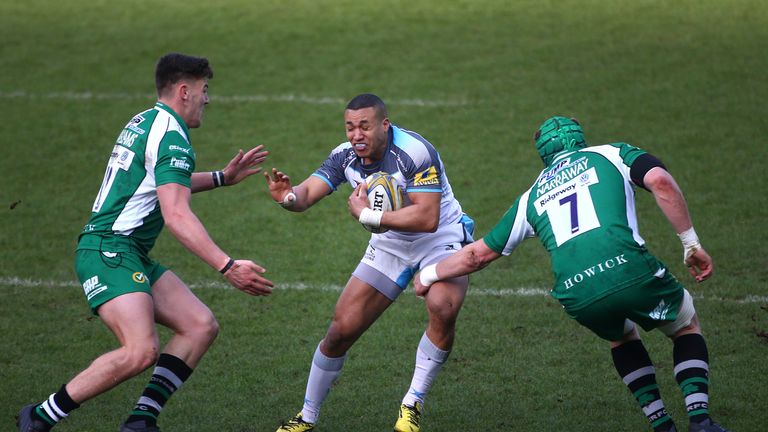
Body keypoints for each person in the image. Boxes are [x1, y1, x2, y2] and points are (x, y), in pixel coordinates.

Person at [414, 116, 729, 432]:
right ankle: (700, 420)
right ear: (581, 140)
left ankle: (661, 424)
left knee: (620, 336)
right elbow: (660, 181)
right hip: (630, 268)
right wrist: (691, 243)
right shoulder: (612, 153)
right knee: (685, 326)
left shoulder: (531, 196)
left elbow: (477, 255)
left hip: (577, 292)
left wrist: (428, 274)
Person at [16, 53, 274, 432]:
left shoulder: (146, 121)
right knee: (140, 350)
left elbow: (156, 181)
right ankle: (39, 416)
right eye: (204, 90)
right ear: (184, 91)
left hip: (126, 251)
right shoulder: (172, 138)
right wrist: (228, 265)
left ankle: (140, 420)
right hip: (109, 251)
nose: (208, 99)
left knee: (199, 324)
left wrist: (220, 177)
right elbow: (177, 216)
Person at [265, 93, 474, 432]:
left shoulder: (414, 152)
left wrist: (369, 216)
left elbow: (427, 218)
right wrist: (287, 198)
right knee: (340, 331)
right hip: (390, 243)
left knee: (443, 306)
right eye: (350, 127)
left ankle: (412, 403)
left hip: (440, 239)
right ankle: (306, 417)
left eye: (364, 126)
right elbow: (304, 195)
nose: (356, 135)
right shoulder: (343, 156)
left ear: (384, 125)